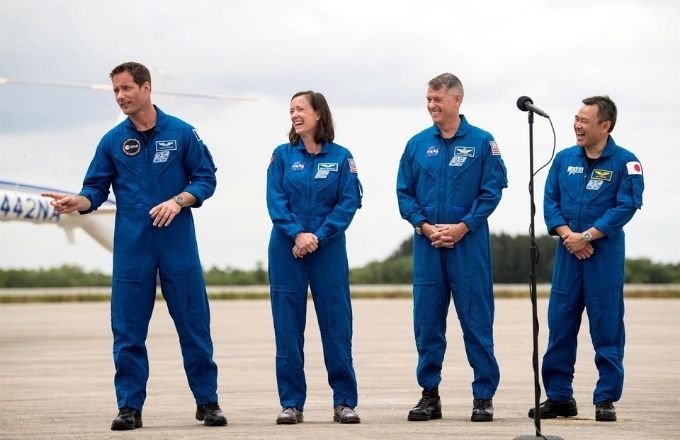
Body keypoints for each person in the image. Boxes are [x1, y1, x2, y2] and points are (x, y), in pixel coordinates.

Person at [42, 61, 227, 430]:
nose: (121, 97)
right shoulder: (111, 141)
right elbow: (94, 190)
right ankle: (129, 407)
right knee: (127, 330)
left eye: (126, 88)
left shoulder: (182, 132)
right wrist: (77, 203)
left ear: (146, 88)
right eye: (115, 91)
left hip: (177, 245)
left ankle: (208, 402)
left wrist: (179, 201)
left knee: (193, 324)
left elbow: (205, 178)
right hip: (131, 248)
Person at [396, 73, 508, 423]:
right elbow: (404, 194)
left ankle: (483, 396)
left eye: (437, 99)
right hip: (428, 245)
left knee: (477, 321)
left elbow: (491, 191)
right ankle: (430, 395)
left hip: (468, 246)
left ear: (456, 100)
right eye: (428, 99)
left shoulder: (481, 142)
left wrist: (463, 227)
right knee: (427, 323)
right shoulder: (416, 145)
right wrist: (425, 226)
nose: (431, 105)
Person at [529, 95, 644, 422]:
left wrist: (589, 236)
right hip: (568, 254)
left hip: (602, 255)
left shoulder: (626, 163)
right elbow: (550, 201)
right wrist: (569, 236)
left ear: (605, 126)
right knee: (560, 325)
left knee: (607, 326)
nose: (577, 125)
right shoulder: (564, 160)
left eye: (585, 121)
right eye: (576, 119)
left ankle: (605, 398)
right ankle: (559, 397)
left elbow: (626, 206)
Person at [266, 90, 363, 425]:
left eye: (301, 109)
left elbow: (348, 202)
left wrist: (317, 237)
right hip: (286, 248)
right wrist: (297, 234)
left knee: (337, 325)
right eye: (291, 110)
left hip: (328, 249)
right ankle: (291, 403)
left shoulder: (341, 158)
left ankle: (344, 402)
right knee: (287, 327)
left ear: (319, 114)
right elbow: (275, 201)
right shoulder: (281, 156)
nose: (294, 114)